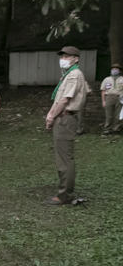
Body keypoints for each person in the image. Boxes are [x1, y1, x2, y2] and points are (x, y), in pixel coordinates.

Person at [45, 46, 87, 205]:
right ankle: (64, 192)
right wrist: (50, 115)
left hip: (65, 118)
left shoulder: (75, 75)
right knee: (61, 157)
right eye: (62, 56)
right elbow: (58, 99)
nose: (63, 59)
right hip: (61, 117)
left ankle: (65, 195)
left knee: (64, 158)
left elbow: (65, 100)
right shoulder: (68, 75)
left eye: (67, 56)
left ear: (76, 59)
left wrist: (52, 117)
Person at [100, 63, 123, 136]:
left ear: (119, 71)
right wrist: (103, 101)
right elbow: (103, 90)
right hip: (109, 97)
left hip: (119, 97)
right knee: (108, 115)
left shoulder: (122, 79)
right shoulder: (107, 79)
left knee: (117, 115)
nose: (114, 70)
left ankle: (116, 130)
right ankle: (107, 130)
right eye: (113, 69)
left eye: (116, 69)